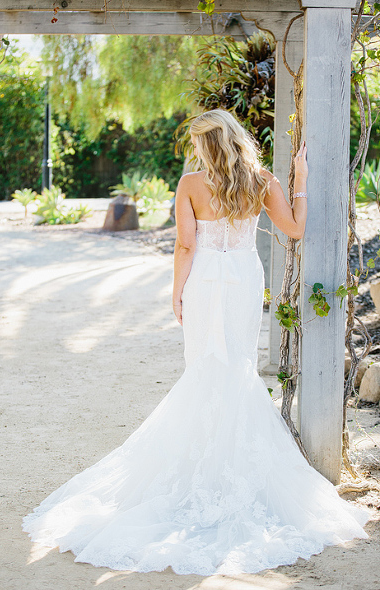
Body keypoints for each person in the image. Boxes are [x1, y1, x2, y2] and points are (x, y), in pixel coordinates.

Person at [23, 109, 370, 575]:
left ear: (205, 146)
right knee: (237, 369)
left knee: (205, 367)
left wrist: (176, 292)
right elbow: (295, 229)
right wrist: (301, 179)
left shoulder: (191, 184)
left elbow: (186, 246)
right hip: (245, 278)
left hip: (206, 279)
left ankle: (201, 467)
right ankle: (226, 469)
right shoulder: (263, 180)